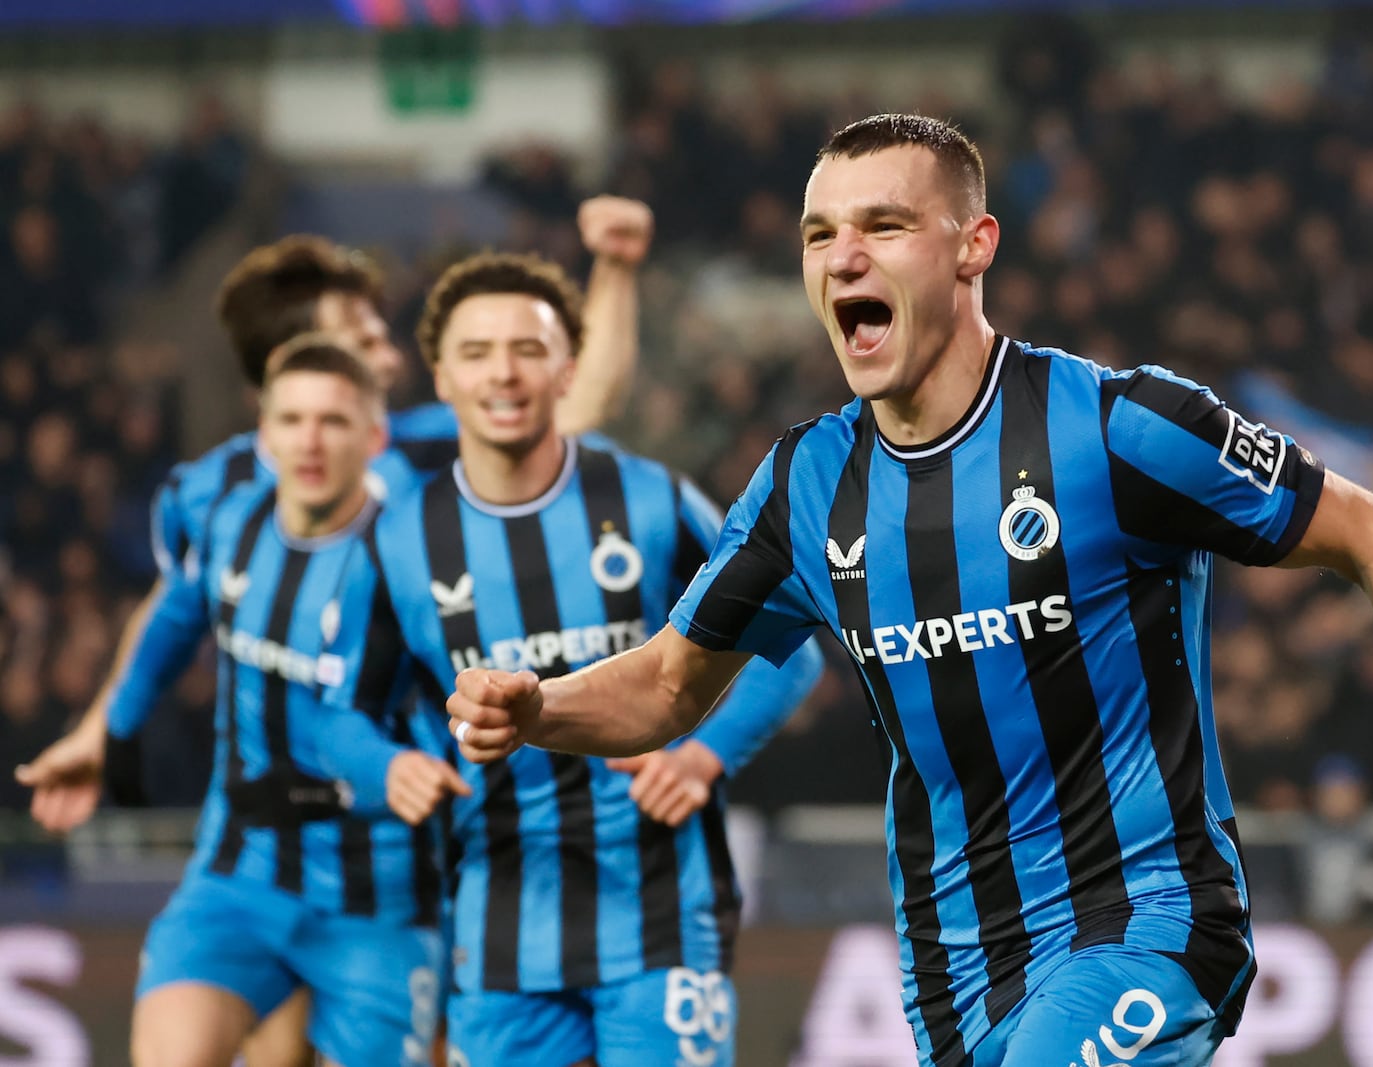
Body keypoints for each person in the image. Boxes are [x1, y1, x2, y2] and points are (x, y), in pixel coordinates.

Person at [445, 115, 1373, 1067]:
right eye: (818, 233)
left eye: (883, 224)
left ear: (973, 244)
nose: (842, 257)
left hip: (1146, 920)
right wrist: (538, 707)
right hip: (953, 963)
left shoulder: (1116, 427)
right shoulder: (805, 484)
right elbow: (670, 684)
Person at [13, 196, 654, 1065]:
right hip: (249, 853)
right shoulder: (216, 496)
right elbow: (171, 610)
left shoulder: (425, 464)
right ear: (284, 372)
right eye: (364, 335)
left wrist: (613, 269)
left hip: (391, 872)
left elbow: (583, 405)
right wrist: (99, 730)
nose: (389, 351)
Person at [316, 250, 824, 1067]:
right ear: (441, 378)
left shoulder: (649, 499)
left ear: (569, 368)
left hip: (660, 910)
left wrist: (702, 757)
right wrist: (386, 769)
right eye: (476, 353)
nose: (504, 373)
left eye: (528, 349)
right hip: (499, 923)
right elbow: (335, 713)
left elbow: (791, 649)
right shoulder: (398, 539)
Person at [108, 336, 456, 1067]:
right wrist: (114, 730)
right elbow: (176, 613)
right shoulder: (231, 521)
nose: (310, 440)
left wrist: (408, 768)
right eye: (292, 419)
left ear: (374, 436)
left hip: (381, 896)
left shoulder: (417, 563)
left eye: (332, 421)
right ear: (262, 433)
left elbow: (463, 703)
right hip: (238, 873)